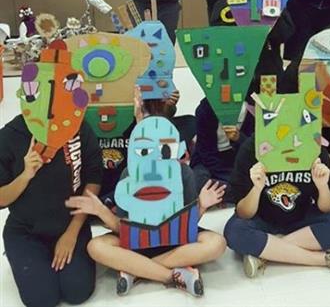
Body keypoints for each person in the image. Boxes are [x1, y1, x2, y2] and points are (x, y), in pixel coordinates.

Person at [66, 173, 226, 298]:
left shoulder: (184, 173)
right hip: (137, 240)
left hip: (176, 240)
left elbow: (189, 222)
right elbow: (120, 226)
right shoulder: (129, 174)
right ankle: (170, 276)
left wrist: (201, 206)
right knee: (96, 246)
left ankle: (136, 270)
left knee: (217, 243)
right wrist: (101, 210)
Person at [0, 116, 102, 307]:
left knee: (77, 291)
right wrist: (26, 175)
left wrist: (72, 232)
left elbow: (94, 178)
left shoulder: (78, 126)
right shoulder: (10, 135)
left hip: (71, 224)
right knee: (41, 299)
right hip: (26, 231)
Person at [223, 136, 330, 277]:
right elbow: (244, 213)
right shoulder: (251, 148)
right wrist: (256, 188)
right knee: (234, 232)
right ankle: (325, 259)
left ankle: (264, 254)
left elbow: (328, 208)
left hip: (301, 216)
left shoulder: (314, 148)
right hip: (261, 217)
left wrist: (322, 185)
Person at [190, 98, 254, 200]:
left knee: (254, 181)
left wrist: (238, 138)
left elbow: (252, 148)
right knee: (197, 182)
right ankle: (233, 192)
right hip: (207, 161)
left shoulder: (250, 109)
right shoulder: (205, 108)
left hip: (236, 158)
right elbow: (204, 152)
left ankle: (233, 192)